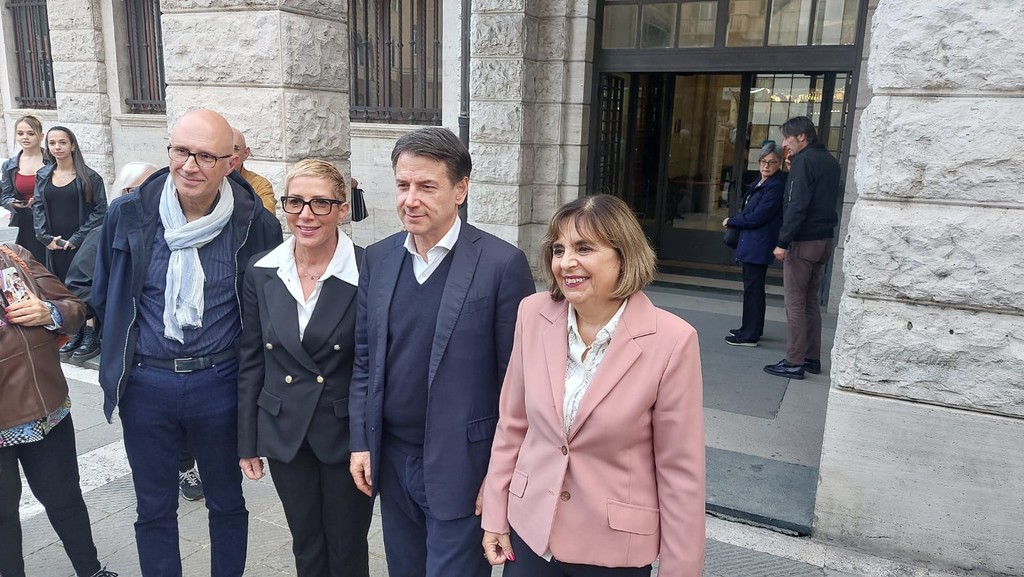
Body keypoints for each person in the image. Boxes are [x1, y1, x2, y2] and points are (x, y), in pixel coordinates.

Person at [92, 109, 282, 577]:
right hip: (145, 383)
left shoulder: (255, 222)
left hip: (221, 383)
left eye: (205, 156)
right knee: (153, 508)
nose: (190, 165)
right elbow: (101, 291)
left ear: (230, 163)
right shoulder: (128, 214)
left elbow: (265, 312)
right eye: (181, 151)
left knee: (227, 502)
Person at [480, 194, 706, 577]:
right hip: (531, 537)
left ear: (623, 256)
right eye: (559, 249)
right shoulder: (533, 314)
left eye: (584, 248)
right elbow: (513, 424)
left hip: (614, 551)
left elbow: (680, 472)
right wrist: (496, 514)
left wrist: (680, 570)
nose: (566, 262)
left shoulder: (672, 340)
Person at [348, 127, 535, 577]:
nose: (410, 199)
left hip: (463, 467)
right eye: (403, 185)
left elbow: (520, 384)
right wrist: (361, 441)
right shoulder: (378, 258)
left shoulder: (501, 265)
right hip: (393, 462)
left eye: (426, 186)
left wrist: (500, 476)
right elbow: (365, 360)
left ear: (460, 190)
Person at [238, 158, 374, 577]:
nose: (306, 214)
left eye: (320, 203)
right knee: (306, 543)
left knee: (347, 547)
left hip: (345, 434)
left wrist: (369, 438)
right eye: (295, 202)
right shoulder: (261, 269)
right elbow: (252, 359)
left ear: (342, 209)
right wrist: (247, 441)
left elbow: (374, 365)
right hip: (285, 430)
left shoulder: (369, 269)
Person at [0, 243, 117, 577]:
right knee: (2, 516)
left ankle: (90, 570)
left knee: (65, 498)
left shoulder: (13, 255)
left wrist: (49, 312)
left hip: (46, 410)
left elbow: (75, 308)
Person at [763, 116, 841, 380]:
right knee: (810, 302)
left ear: (802, 137)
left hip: (803, 241)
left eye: (788, 137)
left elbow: (798, 204)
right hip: (823, 240)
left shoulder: (804, 162)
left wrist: (782, 242)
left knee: (795, 303)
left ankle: (794, 361)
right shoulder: (829, 161)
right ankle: (811, 357)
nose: (785, 143)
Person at [32, 126, 107, 361]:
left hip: (81, 244)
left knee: (83, 288)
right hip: (54, 244)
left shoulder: (90, 177)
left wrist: (76, 239)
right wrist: (45, 238)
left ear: (72, 145)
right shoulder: (43, 175)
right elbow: (38, 207)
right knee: (60, 287)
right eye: (52, 143)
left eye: (62, 142)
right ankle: (73, 330)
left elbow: (100, 211)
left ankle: (89, 334)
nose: (57, 147)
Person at [722, 142, 786, 347]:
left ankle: (749, 335)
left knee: (753, 289)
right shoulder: (760, 182)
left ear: (779, 163)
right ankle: (750, 328)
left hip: (759, 243)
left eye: (772, 162)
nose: (766, 166)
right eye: (763, 161)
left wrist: (732, 221)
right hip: (751, 241)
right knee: (752, 288)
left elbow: (758, 216)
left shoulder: (775, 186)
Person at [0, 114, 50, 263]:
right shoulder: (9, 165)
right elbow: (5, 196)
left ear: (41, 136)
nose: (25, 137)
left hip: (51, 220)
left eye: (30, 133)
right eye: (20, 133)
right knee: (30, 266)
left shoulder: (52, 160)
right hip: (25, 223)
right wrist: (15, 203)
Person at [232, 127, 275, 214]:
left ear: (245, 153)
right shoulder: (207, 180)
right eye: (223, 149)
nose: (228, 155)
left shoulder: (259, 185)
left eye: (235, 149)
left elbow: (265, 219)